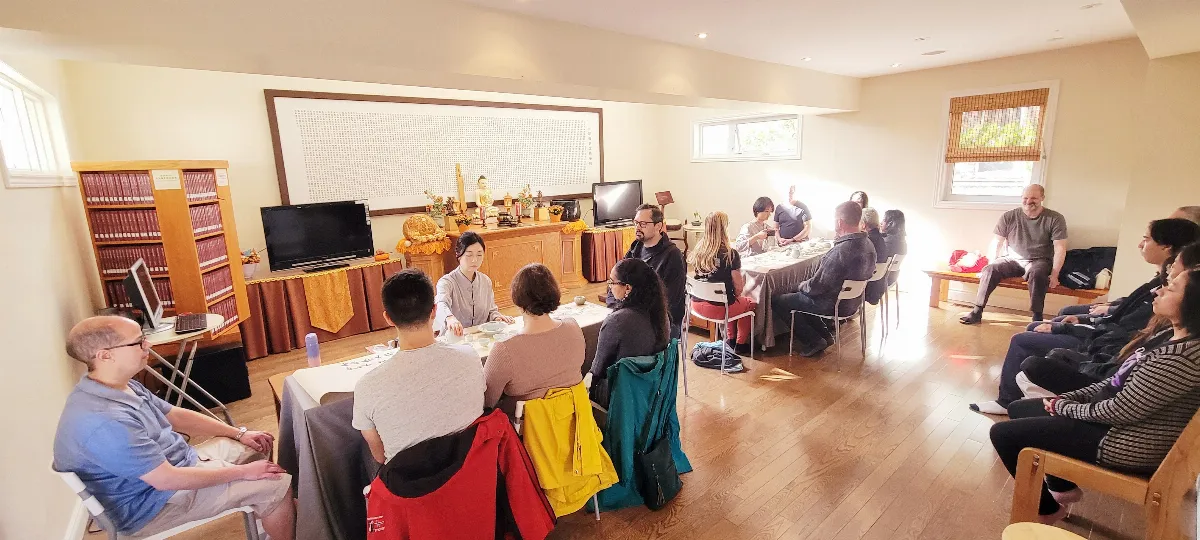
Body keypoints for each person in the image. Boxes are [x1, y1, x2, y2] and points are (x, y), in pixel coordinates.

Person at [989, 266, 1200, 524]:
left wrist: (1064, 407)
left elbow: (1120, 410)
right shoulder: (1170, 336)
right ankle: (1063, 487)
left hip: (1123, 442)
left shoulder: (1181, 358)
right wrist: (1070, 399)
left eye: (1172, 288)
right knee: (1020, 409)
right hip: (1117, 425)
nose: (1160, 290)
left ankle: (1046, 510)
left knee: (1003, 434)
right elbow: (1114, 382)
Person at [53, 316, 295, 539]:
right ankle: (273, 505)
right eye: (138, 342)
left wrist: (239, 433)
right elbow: (167, 479)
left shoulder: (118, 385)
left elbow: (174, 415)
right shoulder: (106, 421)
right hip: (152, 504)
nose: (147, 346)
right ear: (105, 356)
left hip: (177, 465)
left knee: (259, 444)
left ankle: (269, 514)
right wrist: (244, 473)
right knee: (276, 484)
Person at [969, 218, 1199, 415]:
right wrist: (1105, 310)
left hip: (1103, 352)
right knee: (1057, 318)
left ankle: (1008, 401)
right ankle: (1017, 393)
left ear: (1169, 248)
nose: (1140, 244)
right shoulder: (1161, 286)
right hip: (1106, 343)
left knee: (1026, 337)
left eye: (1147, 239)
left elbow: (1120, 332)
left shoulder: (1169, 303)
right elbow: (1126, 310)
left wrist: (1072, 326)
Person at [1021, 242, 1200, 397]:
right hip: (1105, 363)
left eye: (1174, 265)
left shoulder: (1176, 348)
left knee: (1029, 350)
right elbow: (1124, 315)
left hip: (1103, 367)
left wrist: (1066, 405)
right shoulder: (1166, 322)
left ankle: (1011, 400)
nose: (1162, 288)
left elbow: (1118, 397)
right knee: (1054, 334)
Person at [354, 269, 485, 464]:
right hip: (472, 477)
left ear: (388, 318)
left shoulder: (367, 386)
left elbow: (381, 457)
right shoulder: (470, 357)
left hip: (410, 490)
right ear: (434, 310)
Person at [771, 202, 876, 357]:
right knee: (799, 296)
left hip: (833, 304)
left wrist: (799, 285)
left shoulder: (840, 251)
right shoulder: (868, 245)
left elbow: (816, 287)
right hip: (853, 302)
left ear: (840, 222)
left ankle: (813, 340)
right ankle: (825, 334)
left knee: (779, 299)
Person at [483, 263, 584, 417]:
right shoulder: (573, 326)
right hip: (575, 423)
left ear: (517, 298)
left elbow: (486, 403)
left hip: (528, 434)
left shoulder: (505, 350)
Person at [960, 184, 1068, 324]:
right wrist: (990, 263)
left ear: (1042, 198)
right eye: (1025, 198)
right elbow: (996, 242)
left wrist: (1054, 274)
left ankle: (1036, 317)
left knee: (1038, 274)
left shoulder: (1055, 218)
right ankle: (977, 311)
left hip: (1039, 261)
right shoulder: (1009, 216)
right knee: (990, 269)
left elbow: (1060, 248)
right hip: (1012, 259)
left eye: (1034, 198)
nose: (1029, 201)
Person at [605, 203, 686, 340]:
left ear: (658, 226)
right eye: (636, 223)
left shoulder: (672, 256)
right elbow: (615, 282)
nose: (637, 227)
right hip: (632, 313)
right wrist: (615, 308)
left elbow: (670, 300)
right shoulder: (635, 249)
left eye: (643, 224)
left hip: (661, 322)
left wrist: (632, 315)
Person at [689, 211, 757, 355]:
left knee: (730, 300)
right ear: (724, 229)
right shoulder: (730, 254)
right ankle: (740, 343)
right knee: (748, 302)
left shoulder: (698, 251)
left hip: (695, 305)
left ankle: (730, 339)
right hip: (719, 309)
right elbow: (738, 289)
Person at [593, 258, 670, 382]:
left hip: (621, 391)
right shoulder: (661, 314)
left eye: (612, 282)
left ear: (628, 288)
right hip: (652, 387)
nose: (610, 287)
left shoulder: (616, 321)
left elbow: (597, 370)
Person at [435, 231, 514, 337]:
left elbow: (491, 310)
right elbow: (440, 304)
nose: (474, 260)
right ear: (458, 255)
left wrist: (497, 317)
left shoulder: (485, 281)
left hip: (479, 338)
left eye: (479, 254)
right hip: (455, 340)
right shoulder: (446, 282)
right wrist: (449, 318)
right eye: (469, 255)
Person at [861, 208, 890, 305]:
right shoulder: (881, 239)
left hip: (867, 288)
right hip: (878, 285)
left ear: (863, 224)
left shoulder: (867, 241)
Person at [881, 209, 907, 287]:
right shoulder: (901, 240)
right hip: (892, 278)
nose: (881, 223)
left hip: (882, 280)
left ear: (891, 223)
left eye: (883, 220)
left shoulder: (888, 242)